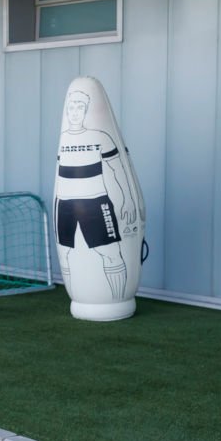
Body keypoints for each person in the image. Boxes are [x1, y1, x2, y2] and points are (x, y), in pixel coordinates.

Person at [55, 89, 140, 299]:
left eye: (80, 107)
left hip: (96, 203)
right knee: (65, 254)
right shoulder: (64, 138)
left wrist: (128, 200)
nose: (74, 112)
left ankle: (117, 300)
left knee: (110, 253)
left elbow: (118, 169)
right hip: (64, 204)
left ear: (86, 111)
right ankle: (80, 297)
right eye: (71, 107)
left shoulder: (101, 137)